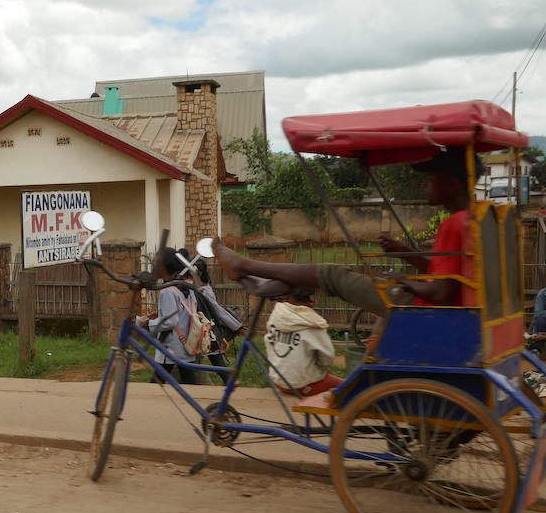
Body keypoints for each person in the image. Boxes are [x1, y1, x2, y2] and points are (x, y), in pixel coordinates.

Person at [209, 148, 476, 314]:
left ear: (452, 184)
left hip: (422, 309)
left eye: (432, 179)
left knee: (333, 273)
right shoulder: (474, 220)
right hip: (446, 310)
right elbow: (448, 275)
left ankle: (243, 265)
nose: (426, 184)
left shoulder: (454, 223)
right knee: (340, 276)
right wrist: (405, 252)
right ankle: (257, 276)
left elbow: (440, 293)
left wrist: (403, 280)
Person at [145, 249, 207, 384]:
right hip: (186, 345)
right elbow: (186, 312)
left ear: (162, 266)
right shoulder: (186, 288)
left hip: (170, 348)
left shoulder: (167, 290)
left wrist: (148, 324)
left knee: (155, 385)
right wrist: (160, 314)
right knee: (189, 383)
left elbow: (171, 321)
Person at [265, 288, 341, 398]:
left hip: (279, 381)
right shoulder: (314, 324)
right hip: (302, 386)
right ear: (311, 300)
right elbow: (327, 358)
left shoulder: (276, 315)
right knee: (349, 387)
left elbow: (269, 342)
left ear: (286, 298)